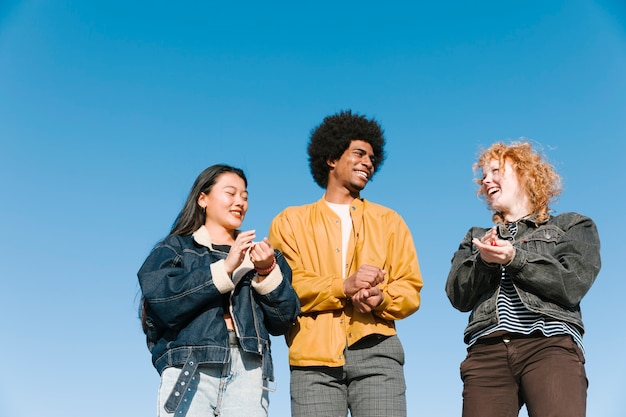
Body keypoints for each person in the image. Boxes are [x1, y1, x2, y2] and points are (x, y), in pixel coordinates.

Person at [269, 110, 424, 417]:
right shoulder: (290, 222)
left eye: (372, 157)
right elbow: (285, 288)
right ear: (331, 158)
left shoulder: (390, 221)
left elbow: (410, 288)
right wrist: (343, 286)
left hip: (378, 353)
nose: (369, 162)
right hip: (312, 362)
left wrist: (381, 299)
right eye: (359, 153)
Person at [446, 141, 601, 417]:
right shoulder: (476, 237)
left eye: (495, 170)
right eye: (483, 176)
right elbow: (458, 296)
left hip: (549, 344)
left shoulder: (572, 225)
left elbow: (572, 284)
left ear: (525, 173)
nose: (486, 180)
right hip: (487, 351)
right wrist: (484, 262)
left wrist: (514, 259)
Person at [137, 164, 301, 417]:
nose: (240, 202)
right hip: (190, 367)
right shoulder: (177, 248)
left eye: (245, 196)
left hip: (250, 370)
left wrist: (267, 270)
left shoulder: (264, 257)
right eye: (231, 193)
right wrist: (224, 268)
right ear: (203, 199)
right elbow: (160, 299)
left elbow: (283, 321)